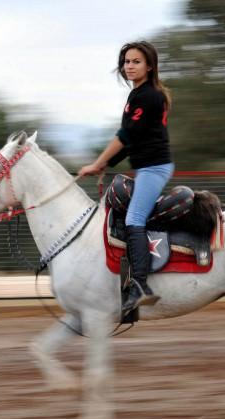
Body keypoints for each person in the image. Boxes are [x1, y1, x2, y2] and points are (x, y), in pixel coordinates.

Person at [79, 41, 174, 315]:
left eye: (136, 62)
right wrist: (105, 166)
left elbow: (126, 136)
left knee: (134, 219)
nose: (129, 66)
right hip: (146, 166)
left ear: (150, 66)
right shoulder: (139, 95)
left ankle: (140, 287)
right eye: (127, 62)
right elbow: (132, 140)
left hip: (154, 168)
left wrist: (98, 162)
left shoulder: (148, 96)